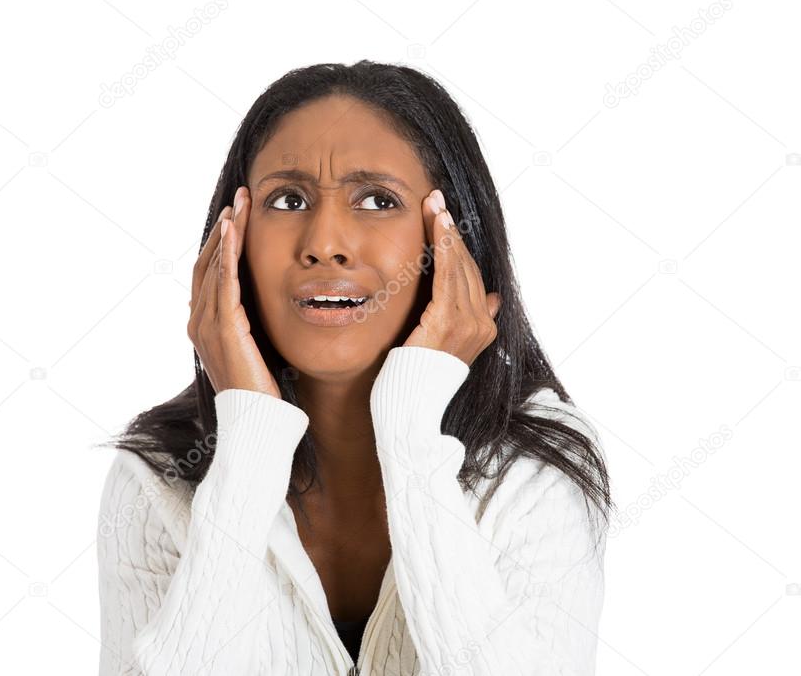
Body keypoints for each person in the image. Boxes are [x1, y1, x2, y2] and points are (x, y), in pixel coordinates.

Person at [96, 60, 611, 676]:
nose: (325, 241)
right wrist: (248, 444)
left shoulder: (537, 466)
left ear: (458, 250)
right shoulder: (157, 476)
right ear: (228, 243)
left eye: (376, 199)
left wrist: (413, 427)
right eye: (288, 199)